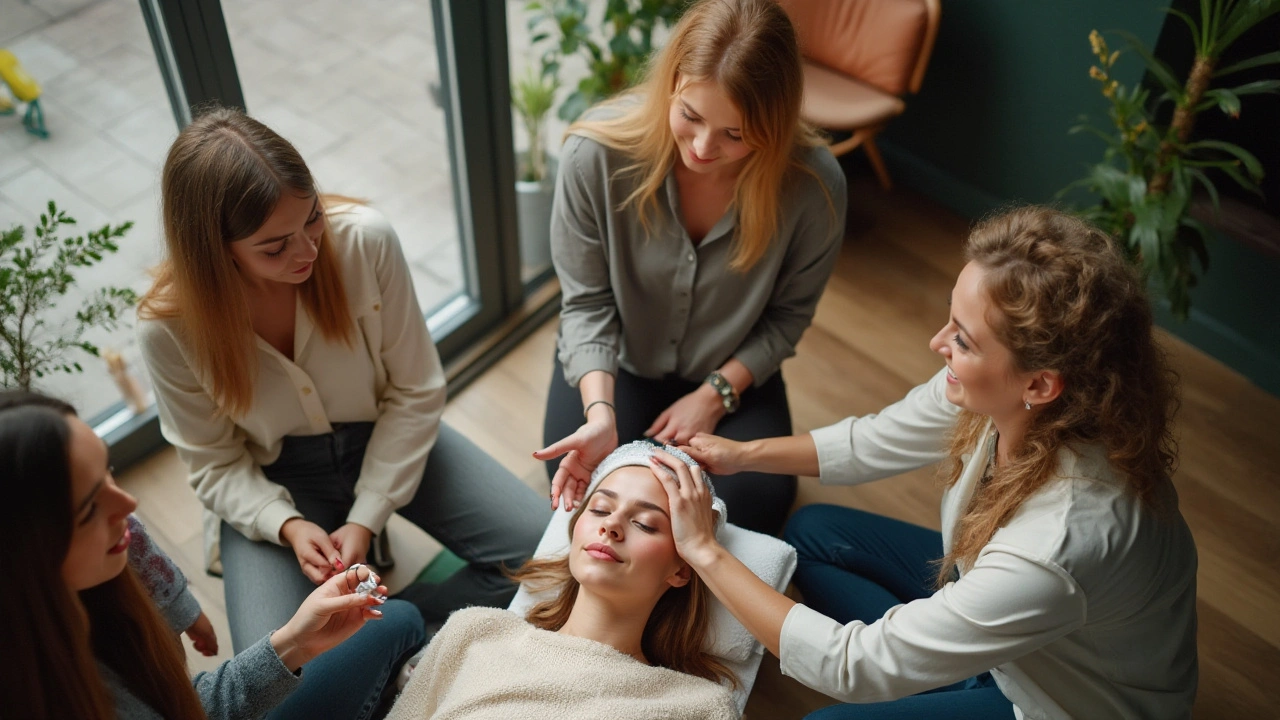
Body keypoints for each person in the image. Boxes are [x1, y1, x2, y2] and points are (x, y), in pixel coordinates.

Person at [657, 207, 1199, 719]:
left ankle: (951, 669)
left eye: (961, 339)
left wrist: (703, 550)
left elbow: (852, 666)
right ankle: (950, 663)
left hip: (1059, 701)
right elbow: (872, 442)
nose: (938, 342)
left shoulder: (1057, 542)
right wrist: (742, 454)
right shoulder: (1014, 396)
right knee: (812, 533)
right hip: (1013, 626)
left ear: (1039, 383)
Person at [135, 107, 550, 655]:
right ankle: (370, 640)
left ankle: (398, 623)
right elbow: (214, 464)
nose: (306, 250)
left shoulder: (365, 242)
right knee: (275, 661)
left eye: (311, 218)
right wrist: (284, 524)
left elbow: (417, 391)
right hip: (274, 475)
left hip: (386, 434)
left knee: (549, 561)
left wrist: (366, 516)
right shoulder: (169, 329)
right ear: (215, 249)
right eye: (274, 246)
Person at [536, 0, 848, 536]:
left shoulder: (814, 188)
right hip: (617, 364)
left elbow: (787, 318)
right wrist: (599, 413)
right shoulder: (594, 157)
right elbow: (586, 304)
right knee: (582, 486)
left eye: (736, 133)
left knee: (754, 506)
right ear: (671, 84)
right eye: (692, 116)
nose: (705, 147)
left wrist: (714, 396)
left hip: (730, 374)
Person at [0, 390, 424, 720]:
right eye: (91, 507)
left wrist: (296, 640)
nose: (128, 504)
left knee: (397, 617)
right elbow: (214, 466)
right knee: (404, 619)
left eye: (109, 471)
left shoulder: (93, 604)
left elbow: (184, 710)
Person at [387, 442, 738, 720]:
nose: (610, 525)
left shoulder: (698, 708)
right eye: (600, 509)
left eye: (645, 523)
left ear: (680, 569)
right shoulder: (474, 631)